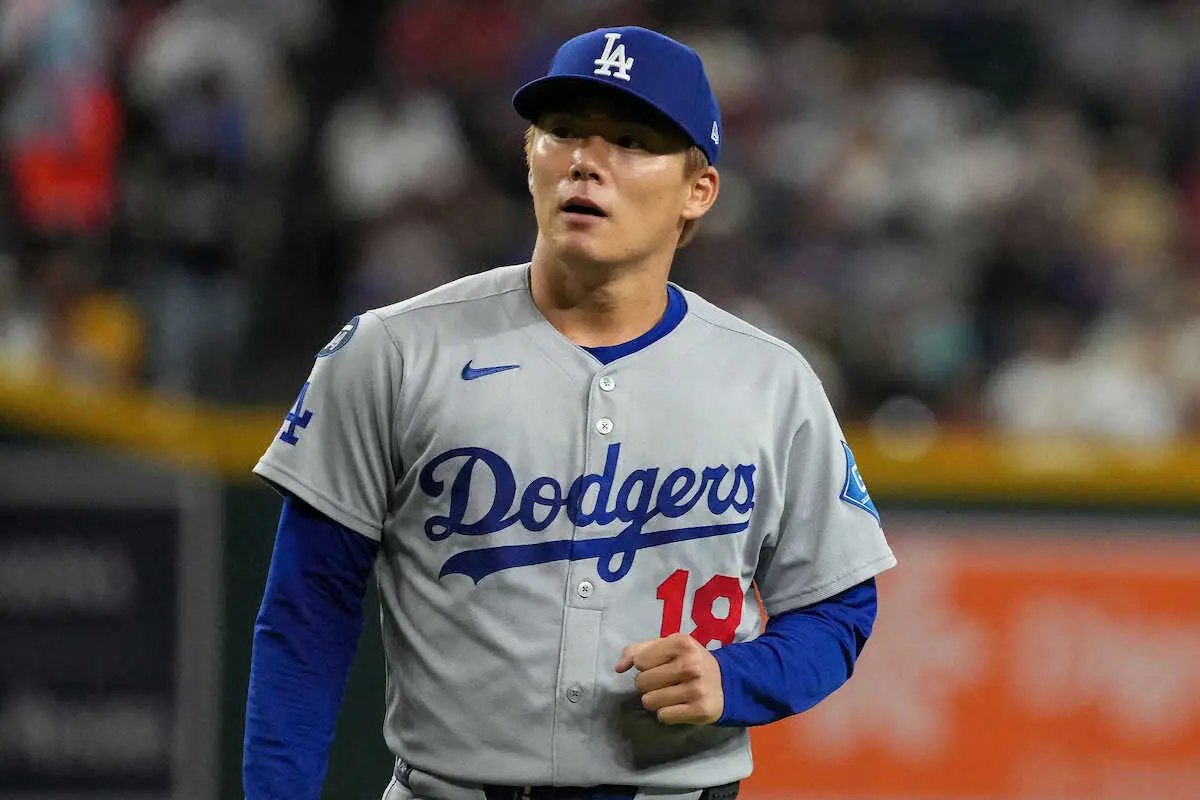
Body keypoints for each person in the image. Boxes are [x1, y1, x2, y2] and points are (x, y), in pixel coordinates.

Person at [244, 25, 897, 800]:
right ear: (530, 157)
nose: (587, 160)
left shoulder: (771, 381)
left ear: (698, 190)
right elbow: (306, 615)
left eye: (632, 141)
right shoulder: (391, 352)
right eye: (562, 131)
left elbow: (838, 607)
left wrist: (739, 677)